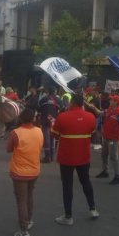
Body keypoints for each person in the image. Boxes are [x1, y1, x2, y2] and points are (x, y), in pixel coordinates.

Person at [51, 94, 99, 225]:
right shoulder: (91, 117)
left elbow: (54, 134)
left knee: (67, 186)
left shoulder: (62, 117)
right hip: (83, 156)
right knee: (86, 181)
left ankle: (68, 216)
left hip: (67, 157)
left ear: (72, 102)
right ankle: (93, 208)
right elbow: (93, 133)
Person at [6, 108, 44, 236]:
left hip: (19, 172)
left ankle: (24, 231)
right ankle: (29, 220)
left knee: (21, 200)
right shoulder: (39, 131)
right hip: (34, 170)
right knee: (29, 196)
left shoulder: (16, 133)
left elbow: (8, 149)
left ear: (20, 118)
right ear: (33, 118)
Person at [94, 95, 119, 185]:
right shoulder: (109, 110)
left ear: (116, 102)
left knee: (113, 156)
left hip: (113, 138)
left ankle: (117, 176)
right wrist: (93, 107)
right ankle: (105, 171)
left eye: (111, 100)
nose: (109, 101)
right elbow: (100, 113)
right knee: (104, 154)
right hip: (107, 137)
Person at [37, 87, 62, 162]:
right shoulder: (58, 100)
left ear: (48, 91)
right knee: (53, 137)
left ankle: (47, 156)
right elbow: (62, 109)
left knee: (46, 137)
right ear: (55, 91)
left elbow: (38, 108)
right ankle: (51, 156)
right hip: (54, 120)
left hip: (45, 119)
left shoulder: (44, 99)